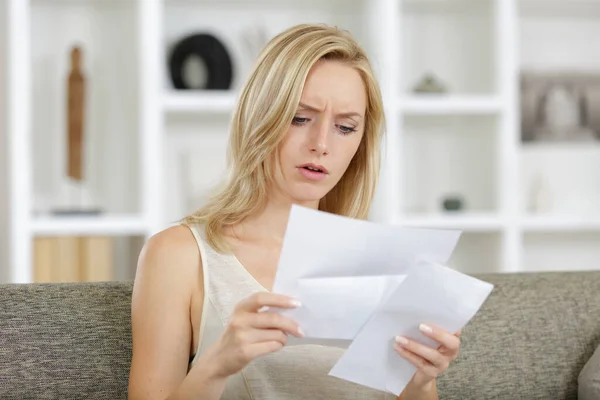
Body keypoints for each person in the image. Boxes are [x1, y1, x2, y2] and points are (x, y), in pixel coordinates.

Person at [128, 24, 461, 400]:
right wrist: (216, 364)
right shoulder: (179, 255)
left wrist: (420, 382)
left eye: (345, 127)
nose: (321, 144)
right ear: (261, 118)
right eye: (300, 118)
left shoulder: (385, 267)